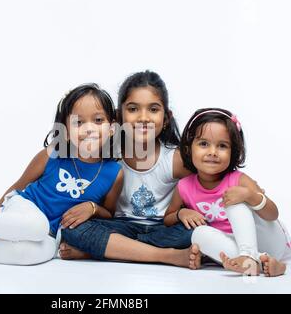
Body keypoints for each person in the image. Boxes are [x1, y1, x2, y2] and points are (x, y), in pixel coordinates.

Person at [0, 83, 123, 265]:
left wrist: (92, 207)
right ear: (66, 131)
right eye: (78, 122)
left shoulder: (115, 173)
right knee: (37, 226)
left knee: (39, 254)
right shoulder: (52, 155)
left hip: (52, 233)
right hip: (23, 208)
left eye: (98, 120)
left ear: (112, 128)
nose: (89, 129)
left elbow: (109, 214)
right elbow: (17, 186)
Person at [60, 71, 201, 269]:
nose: (143, 118)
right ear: (119, 116)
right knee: (73, 229)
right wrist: (90, 207)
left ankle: (108, 251)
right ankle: (166, 256)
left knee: (197, 232)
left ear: (166, 117)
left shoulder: (175, 158)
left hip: (162, 229)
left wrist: (183, 213)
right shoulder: (109, 154)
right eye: (133, 109)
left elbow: (202, 191)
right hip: (120, 226)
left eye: (153, 109)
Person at [164, 108, 291, 276]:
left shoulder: (239, 180)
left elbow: (272, 215)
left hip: (268, 240)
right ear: (189, 148)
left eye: (222, 146)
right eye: (204, 144)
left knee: (235, 198)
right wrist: (181, 213)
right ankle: (261, 263)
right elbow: (168, 219)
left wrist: (250, 196)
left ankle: (250, 256)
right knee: (198, 234)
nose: (212, 152)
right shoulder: (184, 186)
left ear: (234, 151)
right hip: (234, 246)